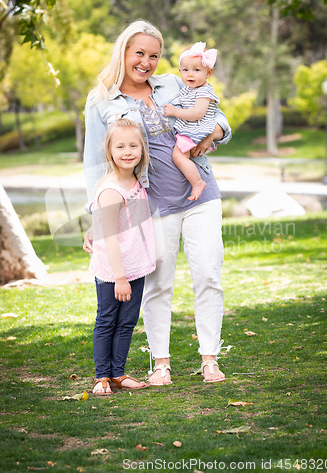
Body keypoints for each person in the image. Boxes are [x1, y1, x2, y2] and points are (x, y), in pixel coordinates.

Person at [83, 20, 232, 387]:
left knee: (208, 275)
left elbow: (215, 113)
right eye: (139, 53)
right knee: (157, 283)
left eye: (154, 55)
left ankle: (210, 359)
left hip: (201, 194)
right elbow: (94, 165)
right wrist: (97, 218)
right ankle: (161, 363)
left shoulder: (173, 83)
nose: (146, 62)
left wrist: (213, 132)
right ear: (124, 52)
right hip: (149, 205)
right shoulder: (102, 100)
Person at [88, 118, 155, 395]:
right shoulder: (111, 190)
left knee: (127, 322)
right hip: (113, 271)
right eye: (120, 146)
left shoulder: (137, 181)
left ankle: (118, 373)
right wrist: (119, 279)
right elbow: (110, 237)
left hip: (135, 265)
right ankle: (102, 376)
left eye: (133, 145)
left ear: (142, 149)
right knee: (107, 320)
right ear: (110, 151)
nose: (127, 152)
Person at [164, 41, 219, 201]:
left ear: (208, 73)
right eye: (186, 70)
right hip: (192, 128)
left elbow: (197, 113)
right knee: (182, 156)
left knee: (179, 156)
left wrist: (175, 111)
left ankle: (197, 183)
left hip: (196, 129)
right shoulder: (189, 89)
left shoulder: (204, 91)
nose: (190, 74)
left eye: (196, 70)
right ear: (179, 71)